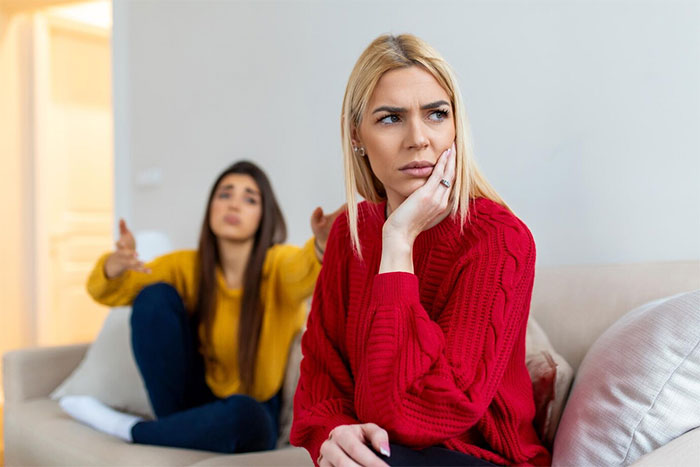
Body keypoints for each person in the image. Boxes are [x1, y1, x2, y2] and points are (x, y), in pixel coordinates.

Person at [290, 34, 552, 467]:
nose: (419, 138)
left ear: (455, 126)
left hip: (483, 458)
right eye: (391, 118)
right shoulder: (348, 234)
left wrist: (398, 242)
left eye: (435, 114)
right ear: (357, 135)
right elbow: (320, 375)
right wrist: (331, 433)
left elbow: (422, 413)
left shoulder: (500, 239)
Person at [60, 160, 344, 454]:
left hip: (250, 410)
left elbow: (305, 268)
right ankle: (175, 427)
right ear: (211, 207)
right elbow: (109, 292)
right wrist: (114, 266)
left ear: (264, 215)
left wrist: (322, 246)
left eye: (249, 199)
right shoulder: (185, 266)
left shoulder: (277, 266)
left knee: (248, 418)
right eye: (225, 195)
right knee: (154, 297)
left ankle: (128, 428)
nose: (234, 205)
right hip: (189, 399)